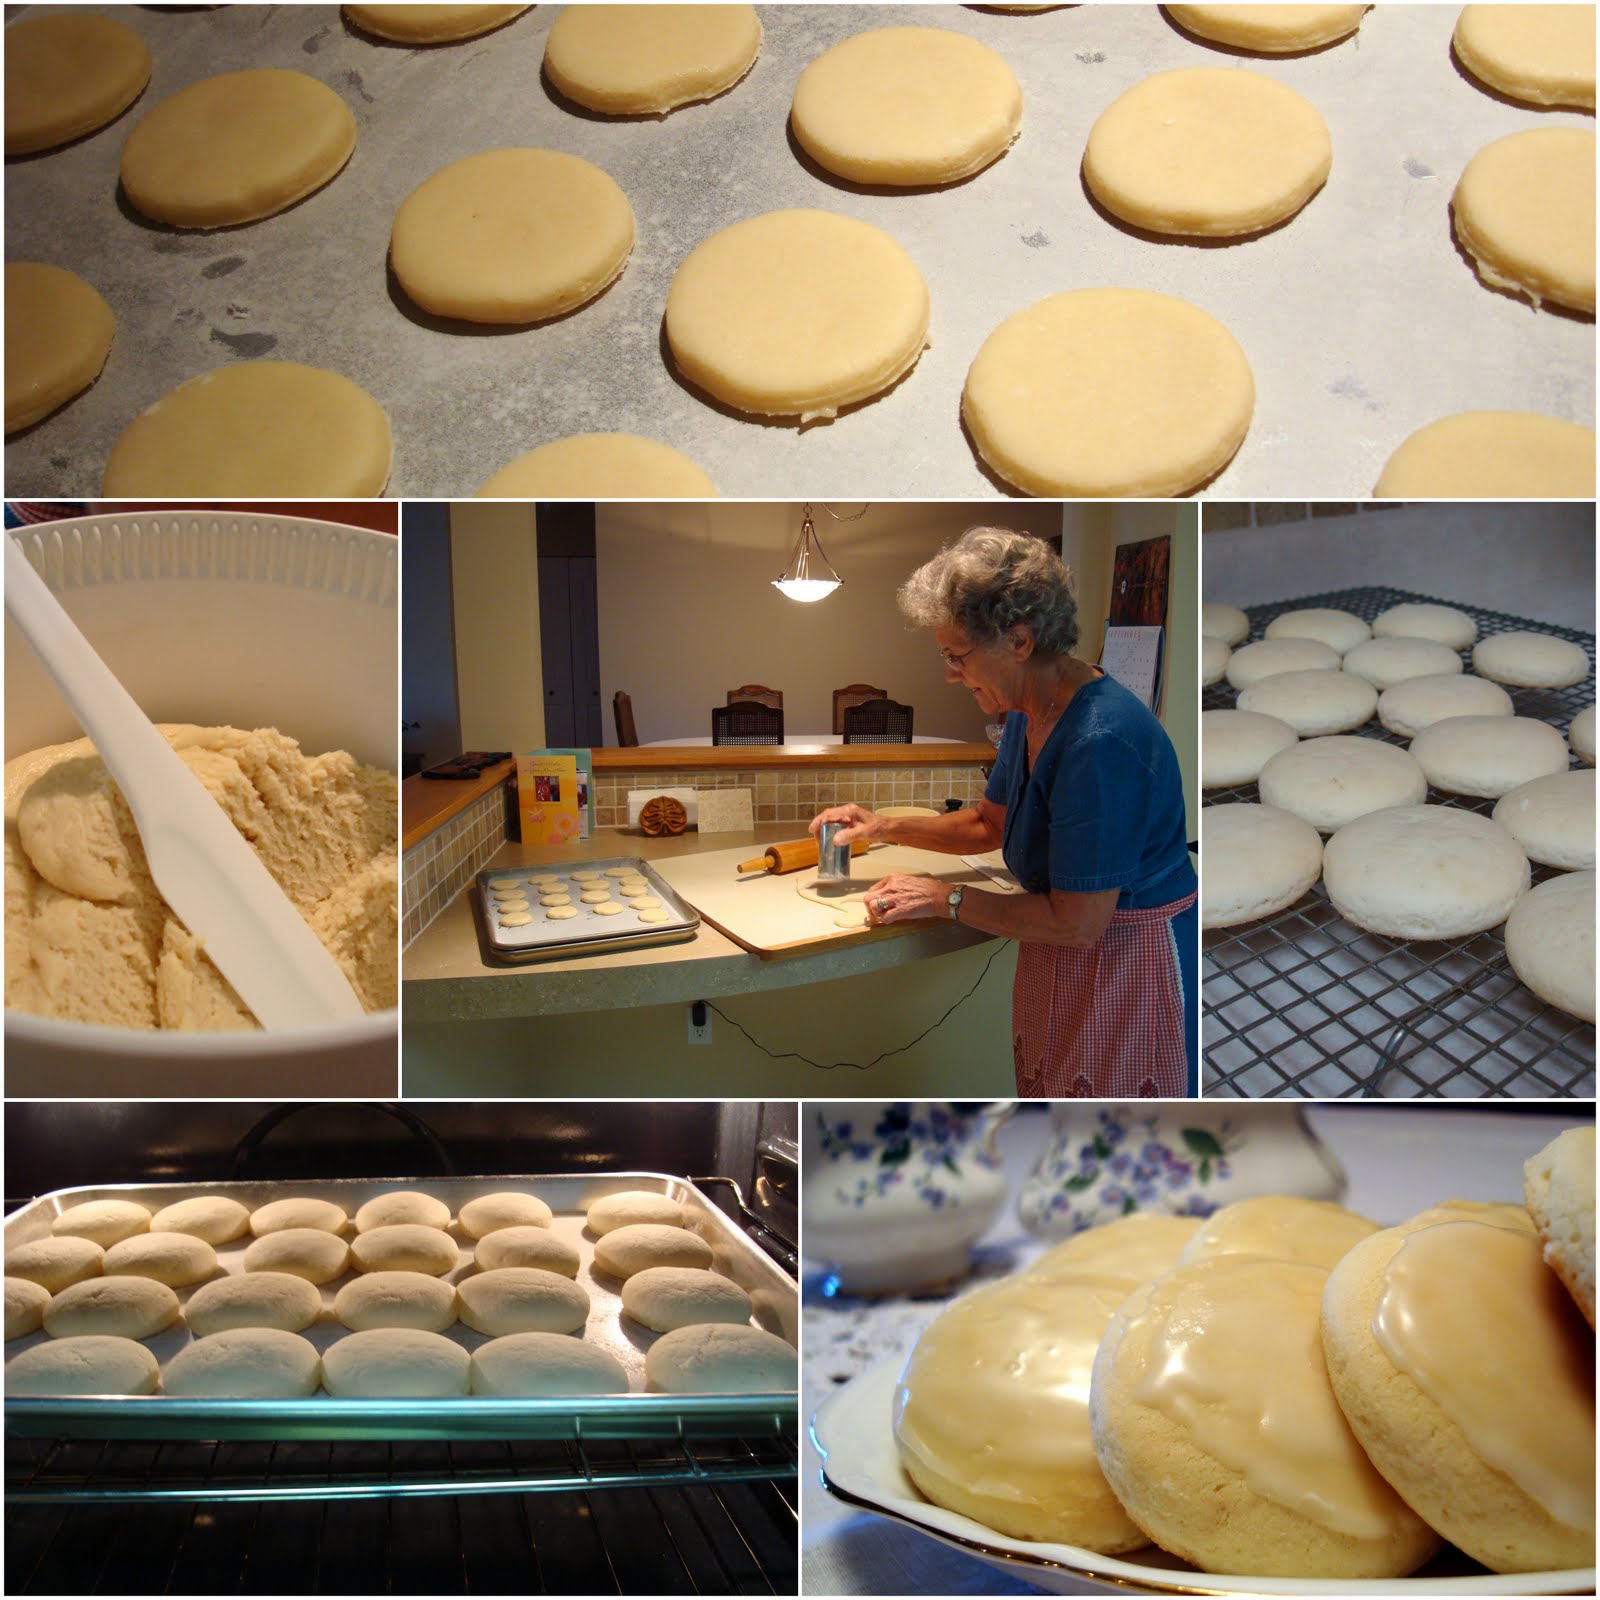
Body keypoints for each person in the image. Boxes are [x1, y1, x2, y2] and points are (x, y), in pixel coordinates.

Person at [810, 526, 1197, 1096]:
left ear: (1019, 641)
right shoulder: (1026, 710)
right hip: (1066, 955)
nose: (948, 672)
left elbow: (1080, 924)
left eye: (956, 655)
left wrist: (948, 899)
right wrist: (883, 825)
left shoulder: (1099, 741)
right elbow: (988, 823)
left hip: (1127, 968)